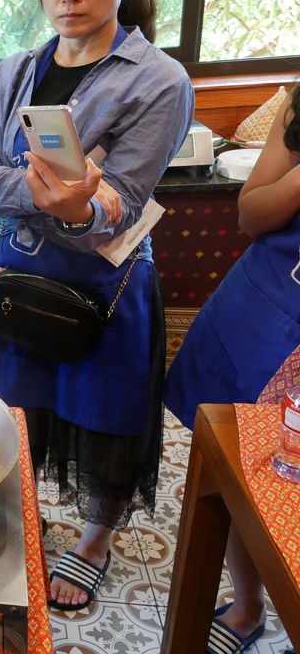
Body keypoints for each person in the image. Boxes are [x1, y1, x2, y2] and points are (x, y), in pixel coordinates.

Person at [0, 0, 193, 611]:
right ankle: (15, 522)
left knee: (104, 418)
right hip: (16, 280)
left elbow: (119, 199)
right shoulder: (12, 73)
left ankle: (95, 539)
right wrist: (47, 197)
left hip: (106, 289)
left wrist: (84, 204)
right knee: (17, 413)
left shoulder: (158, 80)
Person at [164, 86, 300, 654]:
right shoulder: (299, 103)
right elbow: (250, 211)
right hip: (263, 312)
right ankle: (247, 604)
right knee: (232, 464)